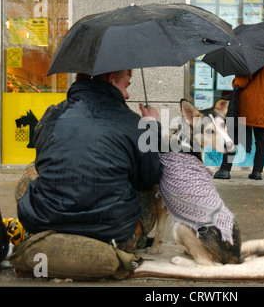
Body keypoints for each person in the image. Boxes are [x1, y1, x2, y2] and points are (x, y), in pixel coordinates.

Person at [15, 70, 162, 251]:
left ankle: (47, 238)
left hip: (46, 227)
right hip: (116, 238)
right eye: (125, 85)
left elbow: (42, 162)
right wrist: (151, 126)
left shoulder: (51, 116)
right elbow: (150, 177)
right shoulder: (134, 123)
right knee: (153, 189)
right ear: (111, 80)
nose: (127, 94)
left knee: (31, 171)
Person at [214, 60, 264, 180]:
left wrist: (234, 81)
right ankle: (257, 172)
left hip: (247, 105)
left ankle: (225, 169)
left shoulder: (249, 63)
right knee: (261, 141)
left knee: (233, 137)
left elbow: (241, 83)